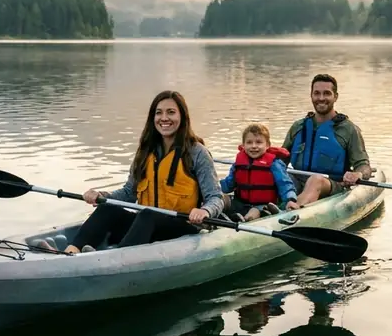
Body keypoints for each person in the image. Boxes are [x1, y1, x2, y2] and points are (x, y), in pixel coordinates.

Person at [51, 90, 225, 255]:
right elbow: (129, 193)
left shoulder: (197, 153)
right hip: (146, 227)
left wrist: (205, 211)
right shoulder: (145, 151)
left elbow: (215, 197)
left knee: (148, 214)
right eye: (159, 113)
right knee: (108, 209)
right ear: (152, 117)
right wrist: (102, 196)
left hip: (182, 229)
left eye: (171, 112)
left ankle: (117, 257)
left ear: (182, 116)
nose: (164, 118)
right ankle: (70, 252)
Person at [281, 73, 373, 206]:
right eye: (317, 93)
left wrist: (358, 174)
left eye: (327, 93)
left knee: (315, 180)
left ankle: (291, 211)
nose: (321, 98)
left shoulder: (349, 129)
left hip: (332, 185)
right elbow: (280, 161)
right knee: (275, 176)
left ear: (335, 96)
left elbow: (363, 165)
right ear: (311, 96)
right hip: (298, 181)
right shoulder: (298, 126)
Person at [218, 122, 299, 221]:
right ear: (243, 145)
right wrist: (214, 189)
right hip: (240, 203)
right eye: (249, 142)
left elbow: (285, 185)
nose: (254, 146)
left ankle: (244, 221)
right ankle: (212, 219)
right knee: (222, 199)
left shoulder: (274, 164)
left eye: (258, 142)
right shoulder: (238, 164)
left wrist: (290, 200)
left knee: (255, 211)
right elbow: (228, 184)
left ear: (267, 145)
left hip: (263, 206)